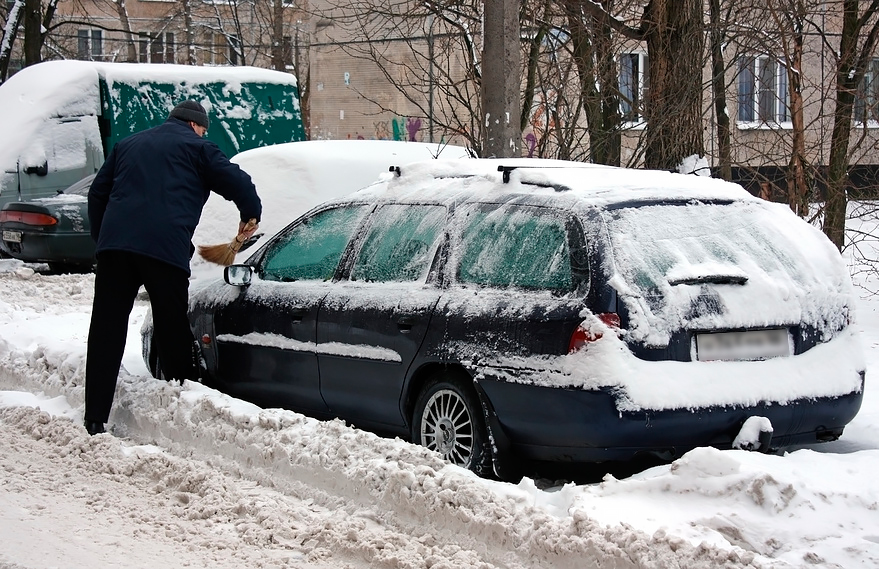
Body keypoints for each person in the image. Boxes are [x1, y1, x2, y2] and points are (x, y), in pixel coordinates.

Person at [83, 100, 261, 436]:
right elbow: (238, 182)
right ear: (195, 125)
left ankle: (95, 417)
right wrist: (249, 213)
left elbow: (97, 194)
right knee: (171, 325)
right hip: (164, 250)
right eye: (204, 129)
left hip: (115, 249)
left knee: (106, 328)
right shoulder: (198, 148)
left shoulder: (128, 144)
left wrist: (103, 239)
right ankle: (183, 397)